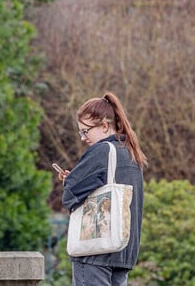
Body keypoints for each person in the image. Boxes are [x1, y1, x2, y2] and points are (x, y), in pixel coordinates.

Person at [57, 92, 147, 286]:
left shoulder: (101, 151)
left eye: (85, 131)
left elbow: (70, 195)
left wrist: (68, 181)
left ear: (104, 126)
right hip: (122, 252)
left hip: (95, 253)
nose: (82, 137)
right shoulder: (131, 154)